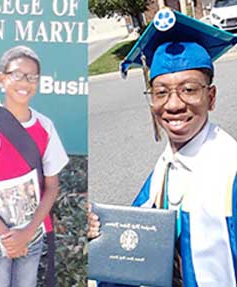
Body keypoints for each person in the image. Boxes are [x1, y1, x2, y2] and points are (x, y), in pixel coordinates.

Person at [88, 8, 237, 287]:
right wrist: (99, 236)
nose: (173, 105)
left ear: (211, 97)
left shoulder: (231, 170)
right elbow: (135, 241)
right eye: (161, 92)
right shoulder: (167, 166)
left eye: (189, 89)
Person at [0, 45, 69, 287]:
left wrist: (27, 232)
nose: (25, 82)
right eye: (17, 74)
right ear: (2, 79)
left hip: (32, 234)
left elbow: (51, 186)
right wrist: (7, 236)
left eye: (32, 77)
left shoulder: (45, 127)